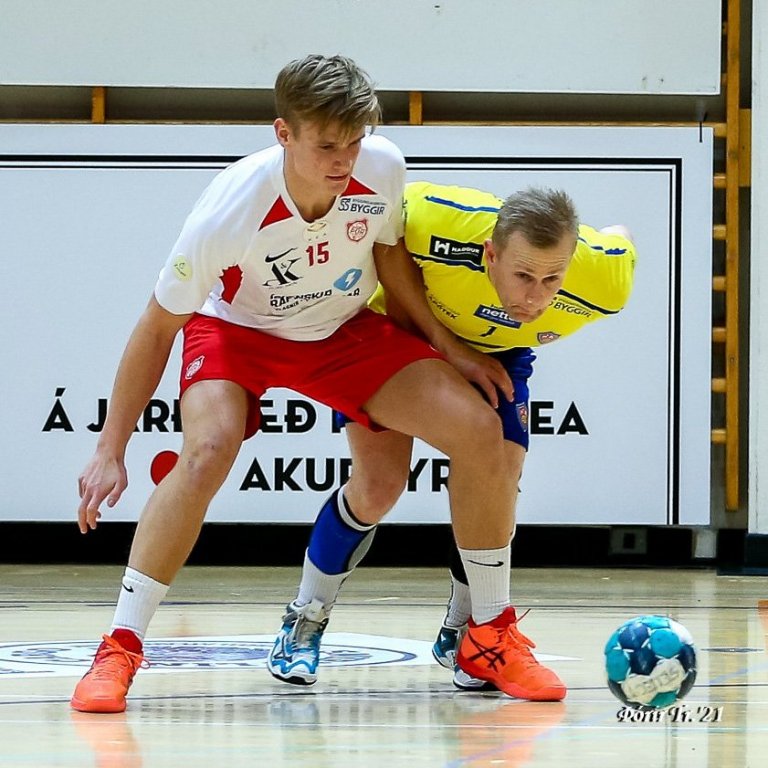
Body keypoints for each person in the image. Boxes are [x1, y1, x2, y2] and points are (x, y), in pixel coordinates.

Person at [70, 56, 528, 713]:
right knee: (206, 453)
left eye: (355, 141)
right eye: (327, 145)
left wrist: (448, 349)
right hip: (236, 332)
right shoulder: (231, 211)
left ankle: (489, 636)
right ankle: (119, 646)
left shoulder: (382, 167)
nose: (344, 160)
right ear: (283, 133)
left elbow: (389, 255)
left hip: (340, 330)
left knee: (481, 429)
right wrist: (110, 449)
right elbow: (155, 327)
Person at [269, 180, 636, 695]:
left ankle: (470, 634)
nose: (535, 297)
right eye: (522, 276)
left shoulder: (604, 278)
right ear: (490, 253)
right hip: (395, 334)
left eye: (552, 279)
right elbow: (384, 235)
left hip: (496, 351)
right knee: (378, 487)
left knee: (499, 472)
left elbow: (620, 238)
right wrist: (445, 344)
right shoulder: (438, 217)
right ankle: (305, 618)